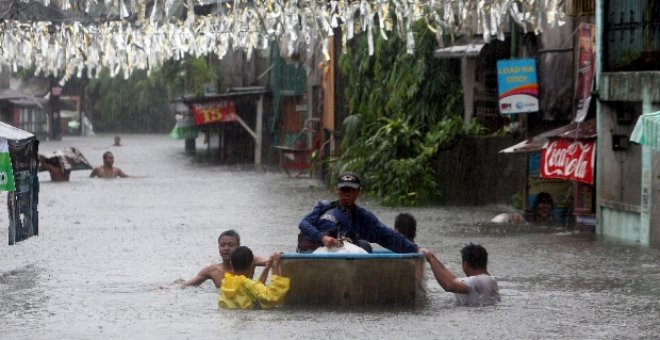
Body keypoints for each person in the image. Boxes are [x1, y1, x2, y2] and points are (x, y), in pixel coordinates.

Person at [297, 172, 420, 254]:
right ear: (337, 190)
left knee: (365, 247)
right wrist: (322, 238)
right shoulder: (323, 207)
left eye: (351, 190)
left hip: (343, 256)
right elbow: (304, 224)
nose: (347, 194)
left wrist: (416, 249)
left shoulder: (363, 217)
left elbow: (386, 235)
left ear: (358, 191)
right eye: (344, 190)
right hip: (314, 251)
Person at [421, 243, 500, 307]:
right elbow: (453, 280)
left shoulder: (481, 281)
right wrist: (433, 257)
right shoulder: (490, 279)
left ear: (465, 264)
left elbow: (449, 285)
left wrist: (430, 258)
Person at [182, 230, 265, 288]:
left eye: (231, 245)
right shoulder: (212, 271)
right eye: (222, 245)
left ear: (238, 247)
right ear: (218, 247)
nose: (226, 248)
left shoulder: (250, 260)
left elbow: (270, 262)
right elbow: (186, 285)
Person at [219, 246, 290, 310]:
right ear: (251, 266)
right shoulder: (247, 283)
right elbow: (273, 296)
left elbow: (256, 289)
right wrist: (275, 265)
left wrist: (266, 269)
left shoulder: (225, 281)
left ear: (231, 265)